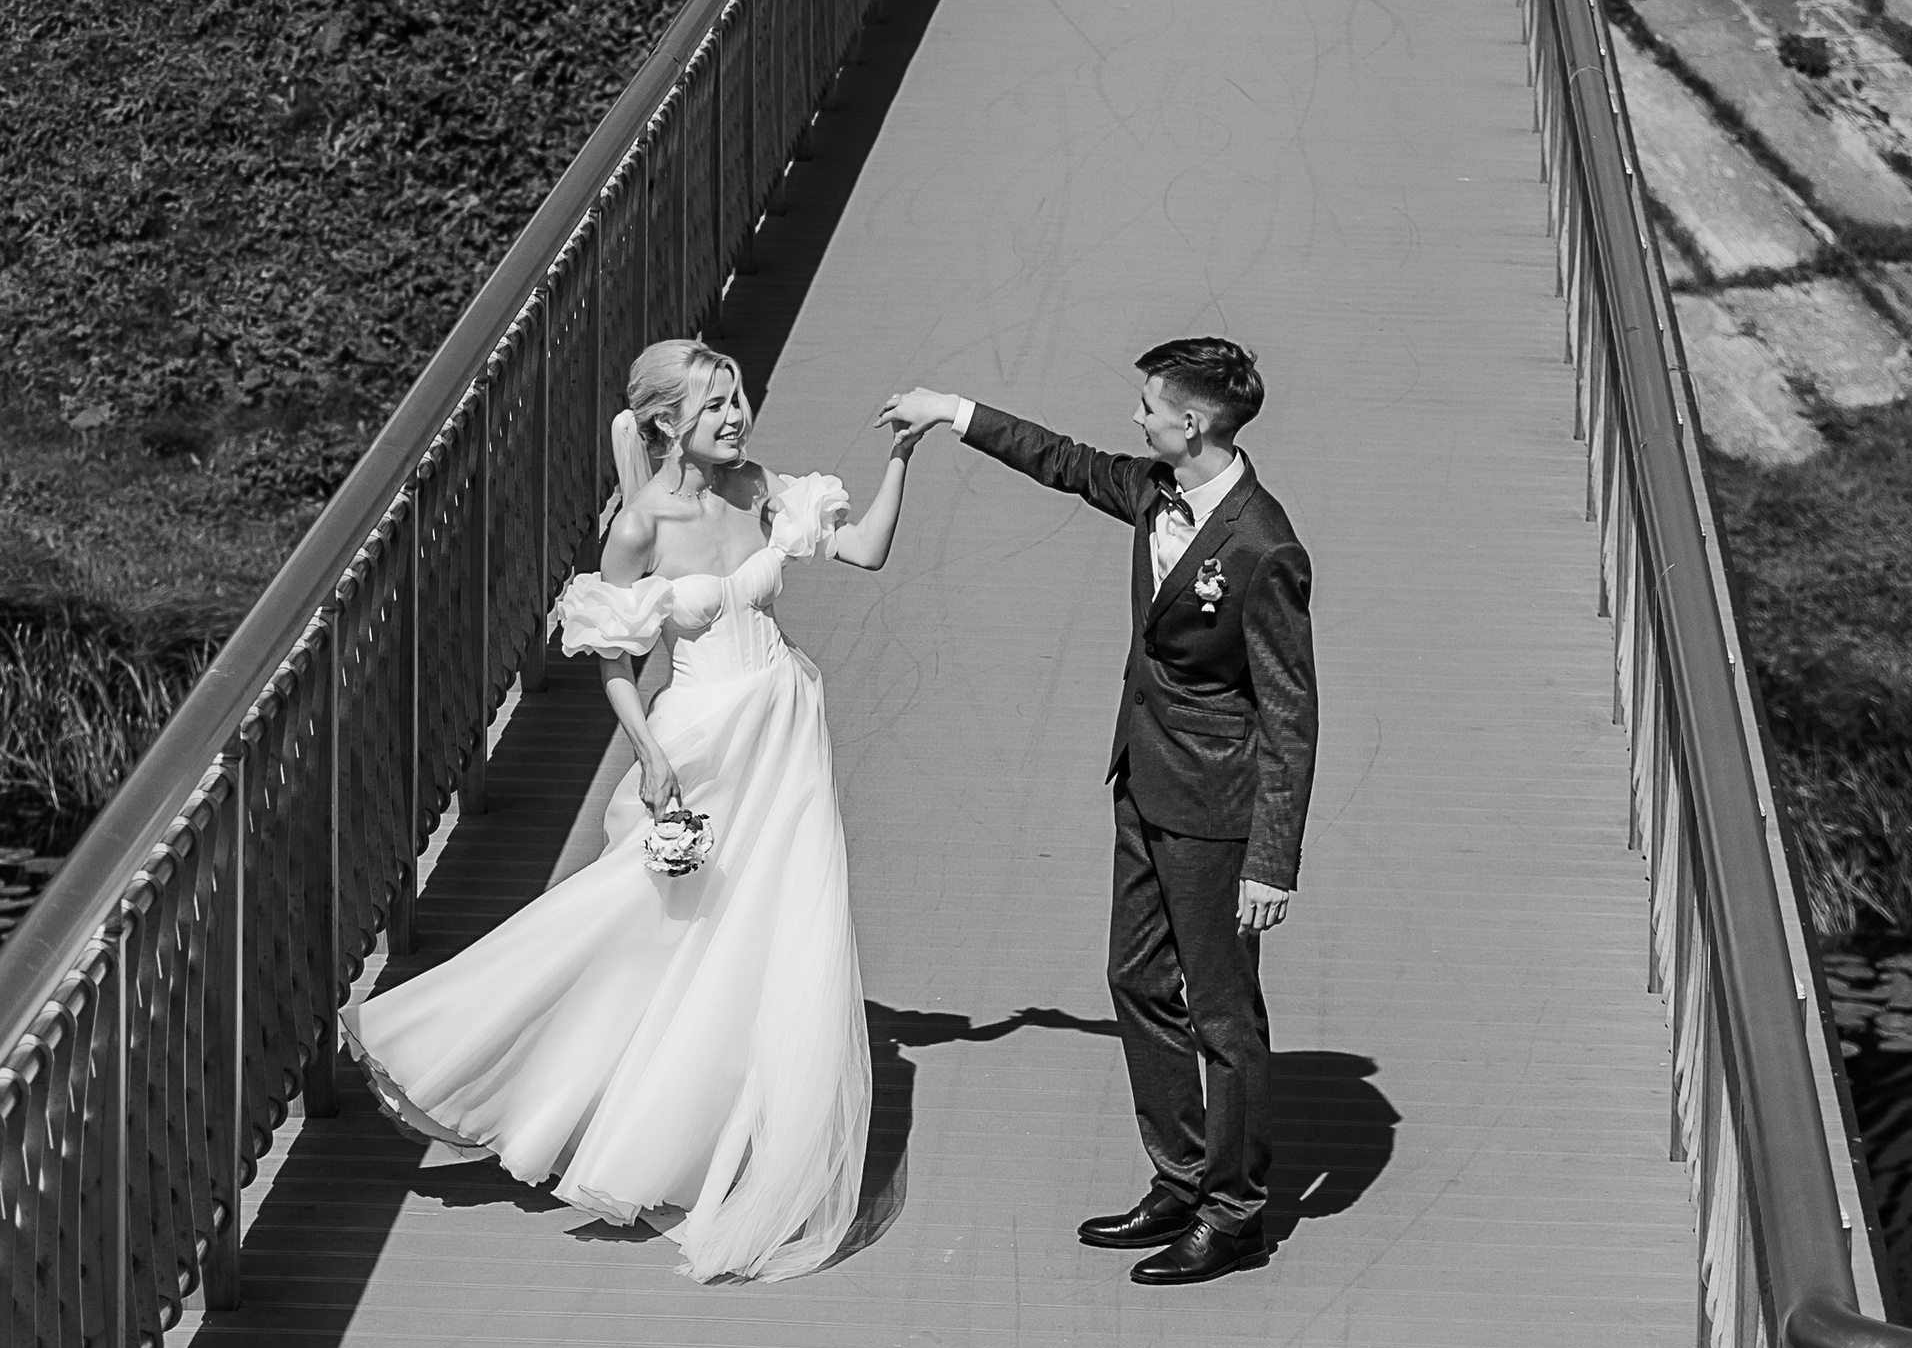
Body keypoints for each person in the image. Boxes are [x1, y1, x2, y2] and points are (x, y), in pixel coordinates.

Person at [346, 337, 917, 1282]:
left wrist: (902, 455)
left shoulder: (760, 487)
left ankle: (730, 1131)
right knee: (641, 920)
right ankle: (455, 1043)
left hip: (780, 730)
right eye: (715, 406)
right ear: (665, 424)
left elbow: (864, 549)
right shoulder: (641, 526)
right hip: (697, 741)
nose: (736, 416)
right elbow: (613, 659)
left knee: (774, 926)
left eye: (738, 399)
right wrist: (649, 753)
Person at [882, 338, 1316, 1285]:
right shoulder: (1154, 490)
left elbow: (1290, 712)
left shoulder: (1262, 545)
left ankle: (1235, 1211)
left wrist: (1271, 861)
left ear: (1192, 423)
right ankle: (1184, 1172)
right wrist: (955, 412)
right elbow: (1066, 464)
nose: (1137, 419)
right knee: (1135, 980)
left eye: (1150, 406)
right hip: (1143, 781)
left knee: (1225, 1014)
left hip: (1216, 810)